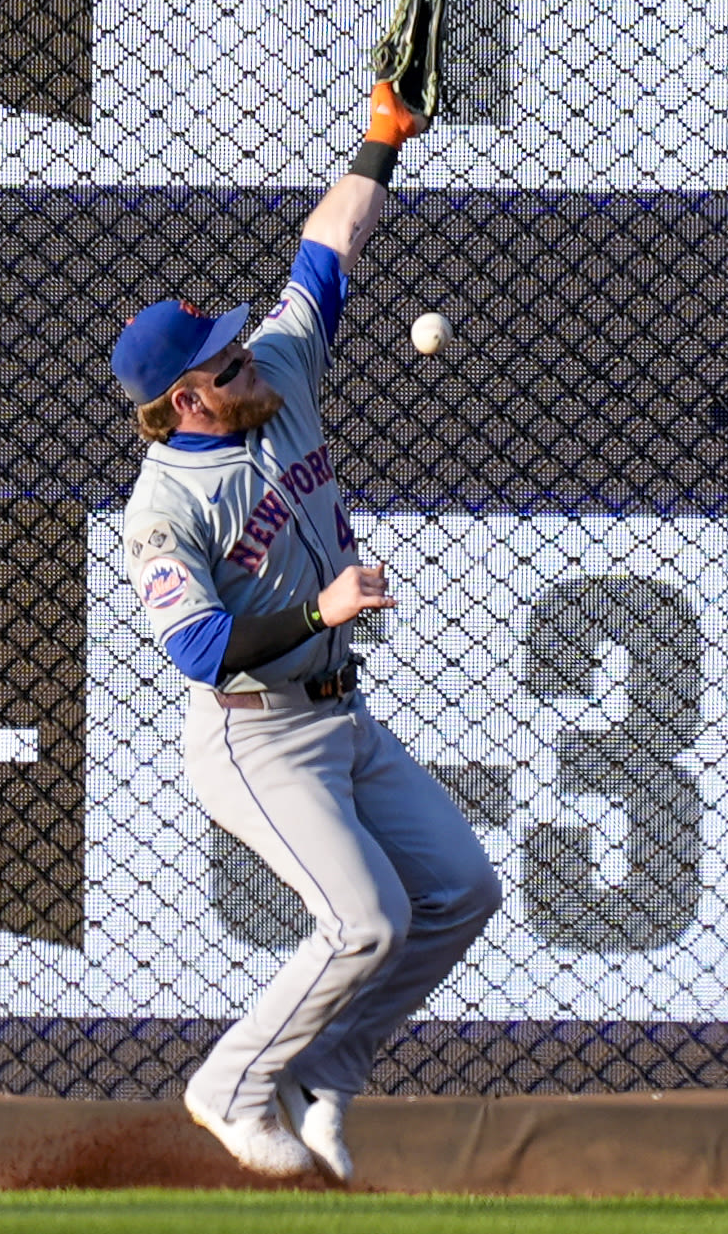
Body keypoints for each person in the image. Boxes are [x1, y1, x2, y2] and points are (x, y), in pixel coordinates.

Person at [108, 79, 502, 1183]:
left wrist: (383, 138)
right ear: (187, 399)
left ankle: (325, 1075)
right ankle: (229, 1089)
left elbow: (326, 246)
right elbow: (195, 651)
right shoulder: (163, 513)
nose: (248, 358)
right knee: (364, 922)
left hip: (342, 719)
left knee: (462, 891)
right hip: (254, 734)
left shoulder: (277, 374)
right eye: (223, 362)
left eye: (238, 348)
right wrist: (318, 610)